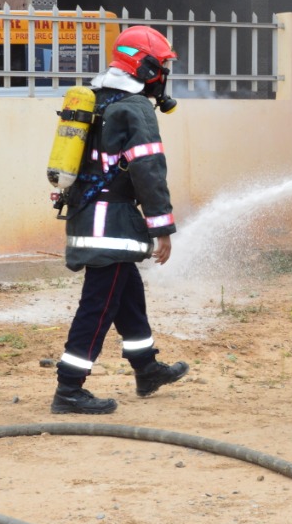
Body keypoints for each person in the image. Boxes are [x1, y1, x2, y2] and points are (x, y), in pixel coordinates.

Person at [50, 25, 189, 414]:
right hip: (110, 225)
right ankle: (69, 388)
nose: (162, 75)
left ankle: (146, 369)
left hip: (90, 216)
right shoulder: (135, 108)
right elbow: (149, 171)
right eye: (160, 67)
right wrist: (162, 227)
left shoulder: (96, 99)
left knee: (128, 295)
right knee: (98, 306)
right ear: (145, 68)